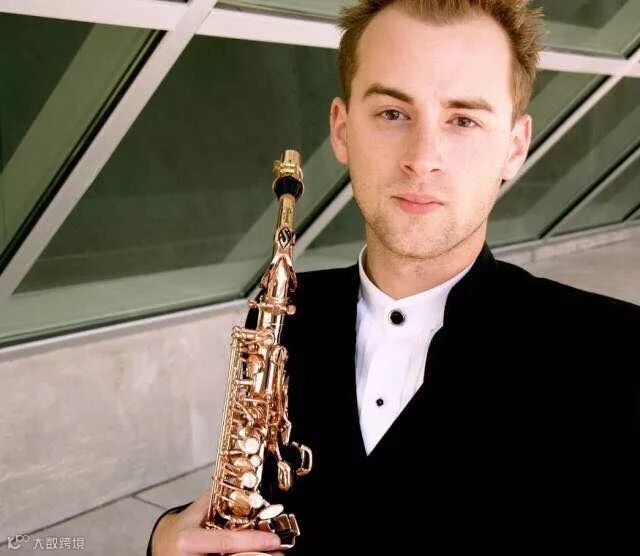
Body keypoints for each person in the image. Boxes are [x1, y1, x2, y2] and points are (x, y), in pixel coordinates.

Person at [148, 1, 640, 554]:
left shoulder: (617, 351)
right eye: (391, 113)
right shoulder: (288, 308)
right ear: (342, 131)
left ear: (514, 146)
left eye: (463, 120)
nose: (422, 158)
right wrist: (166, 537)